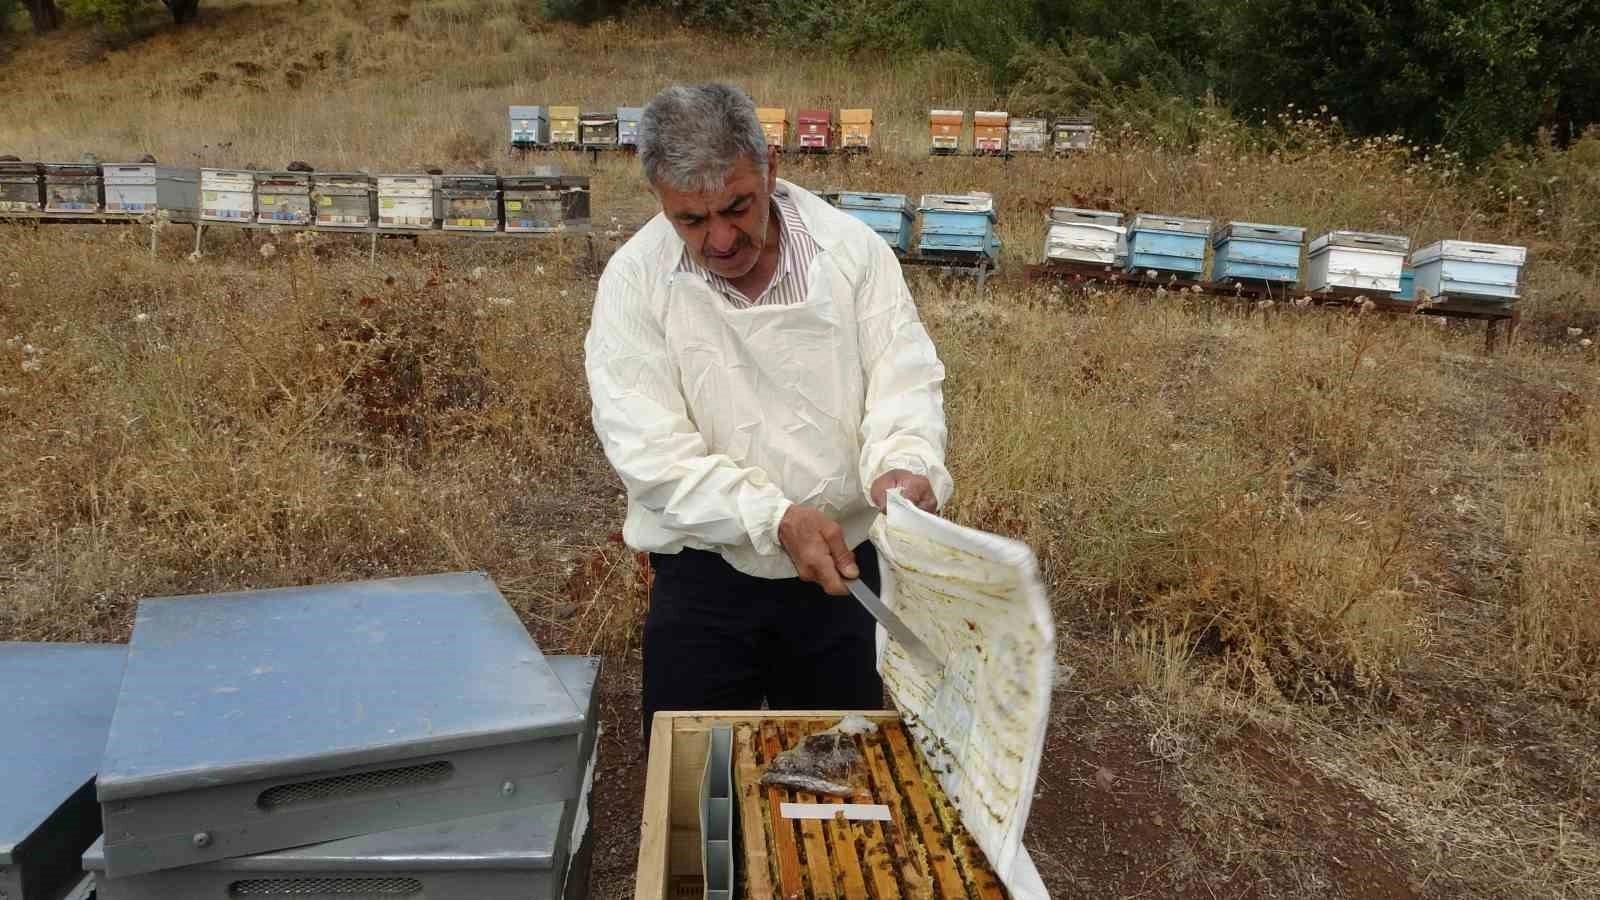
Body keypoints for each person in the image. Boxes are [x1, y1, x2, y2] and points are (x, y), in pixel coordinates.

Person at [583, 83, 953, 744]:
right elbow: (649, 450)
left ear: (770, 167)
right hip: (704, 574)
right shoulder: (634, 281)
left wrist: (903, 461)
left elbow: (902, 377)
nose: (721, 239)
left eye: (737, 207)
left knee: (839, 769)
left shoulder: (852, 252)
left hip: (842, 575)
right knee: (693, 775)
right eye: (692, 221)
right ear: (660, 199)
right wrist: (773, 518)